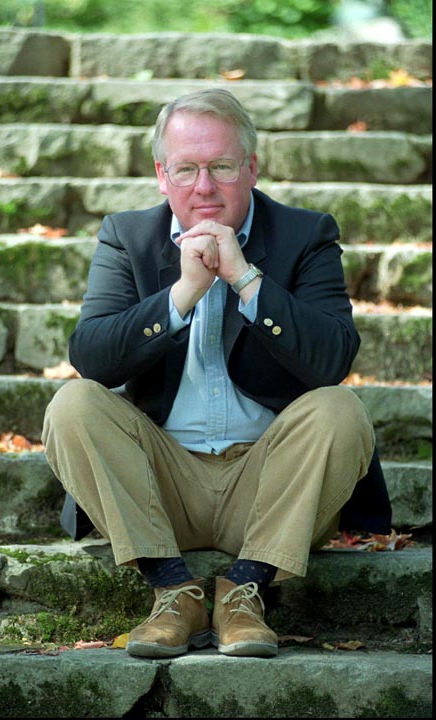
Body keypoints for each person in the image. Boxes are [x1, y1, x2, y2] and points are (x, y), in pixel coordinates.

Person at [42, 88, 391, 660]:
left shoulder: (306, 234)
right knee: (73, 405)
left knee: (339, 409)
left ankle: (243, 590)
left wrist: (246, 281)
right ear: (162, 175)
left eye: (222, 166)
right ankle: (172, 589)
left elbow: (332, 361)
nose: (204, 187)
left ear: (251, 168)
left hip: (272, 483)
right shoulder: (126, 236)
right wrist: (181, 296)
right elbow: (94, 358)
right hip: (160, 483)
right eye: (186, 169)